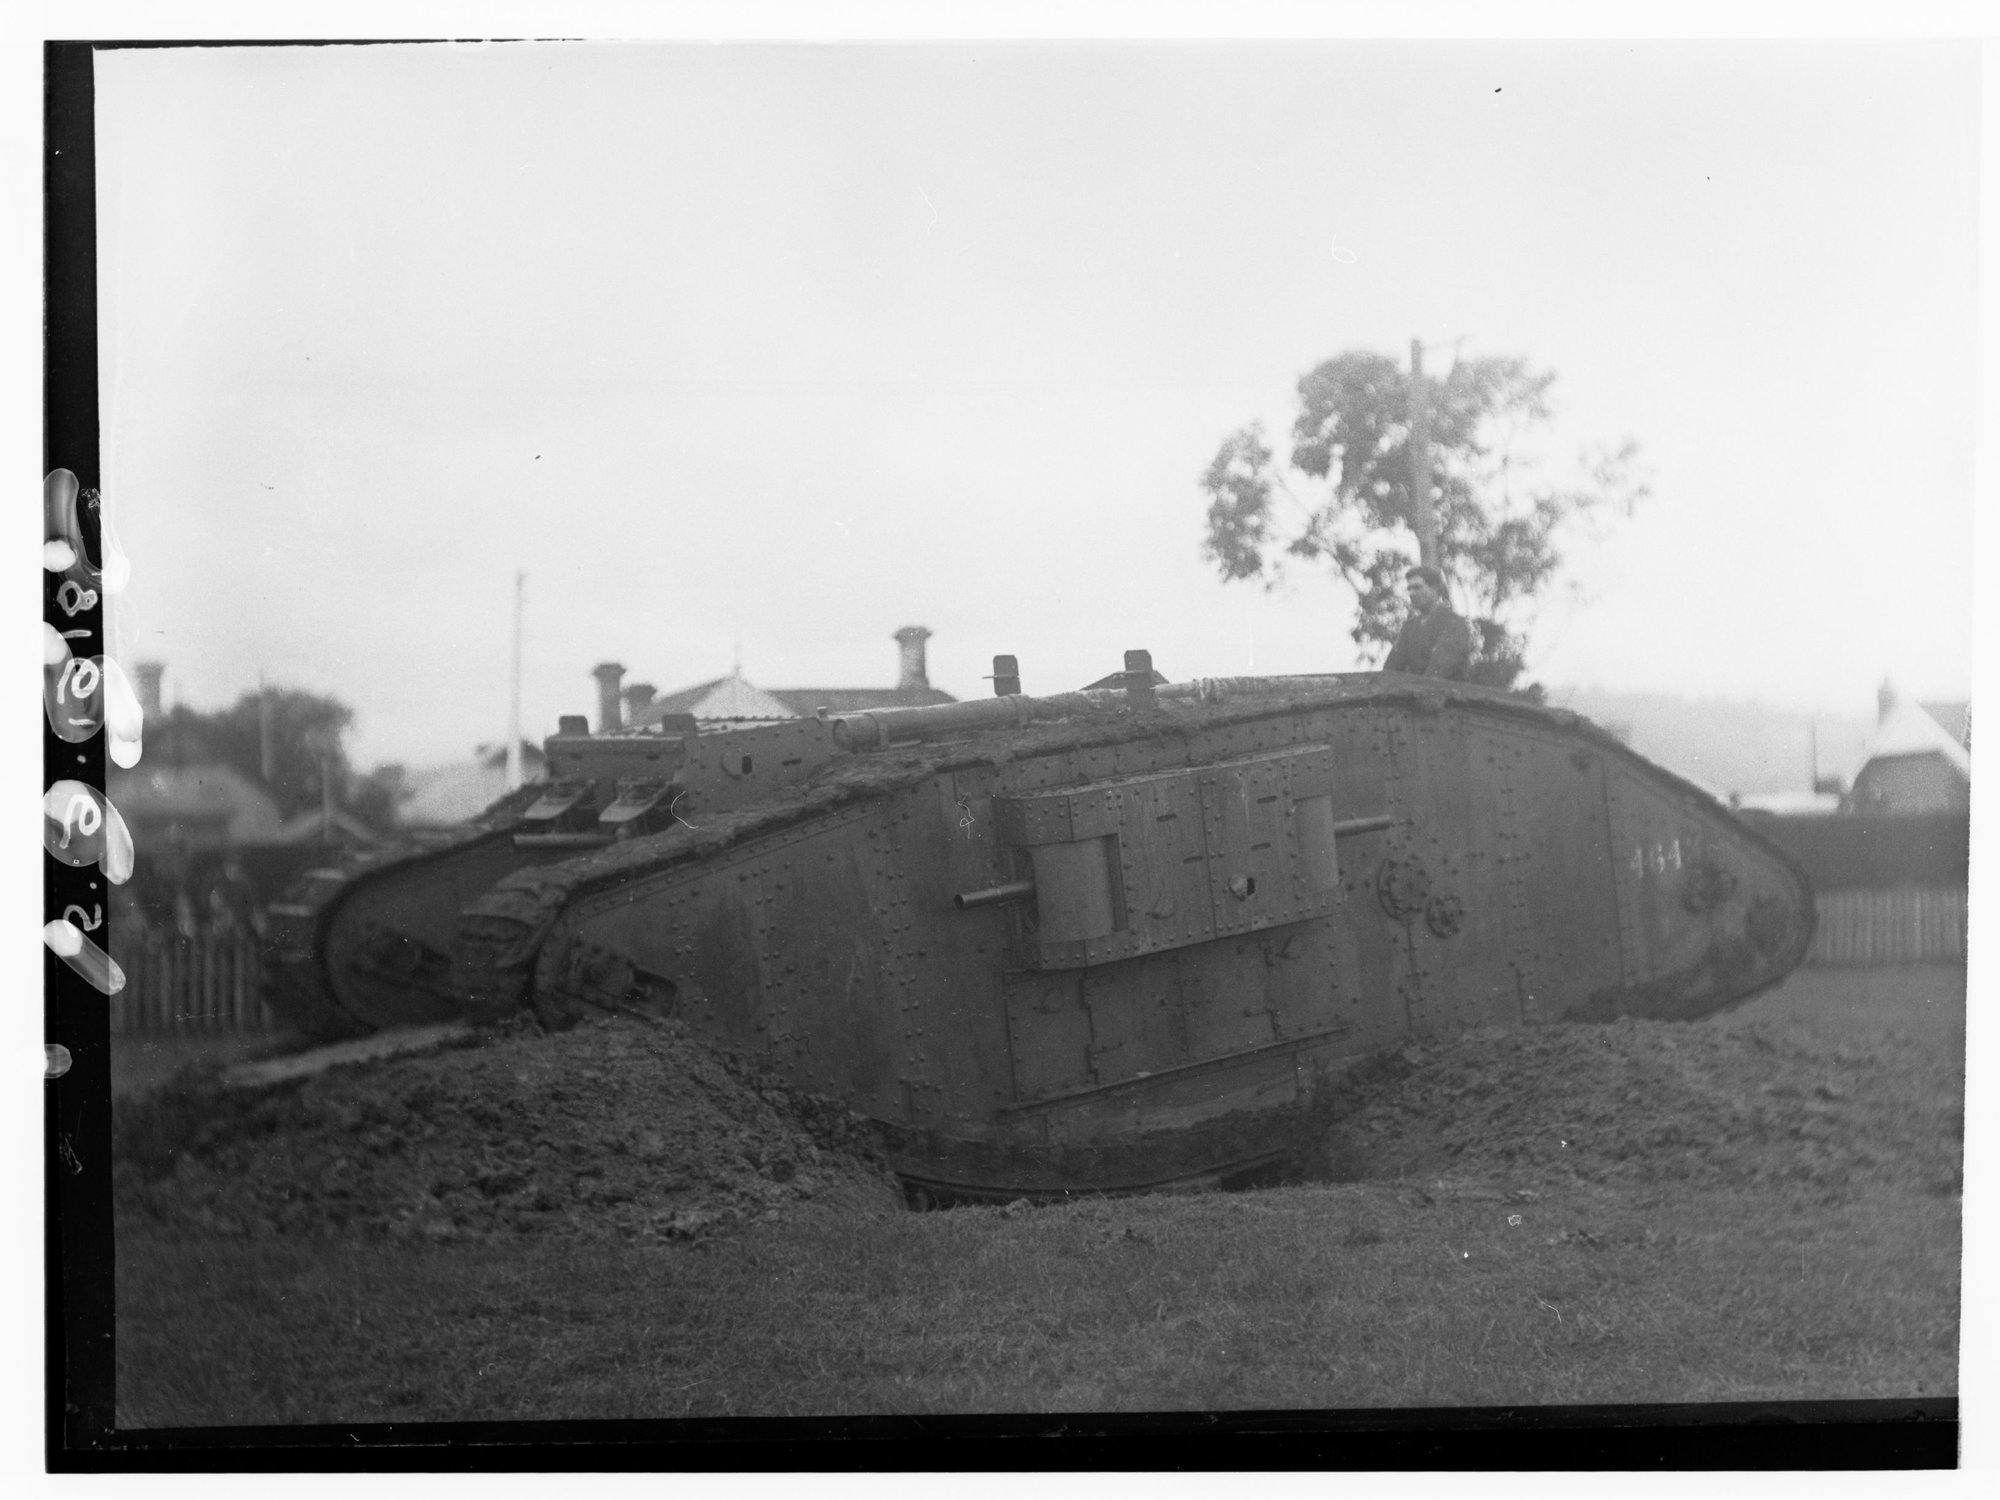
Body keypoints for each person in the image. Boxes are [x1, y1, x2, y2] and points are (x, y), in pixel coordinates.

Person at [1381, 565, 1473, 681]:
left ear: (1435, 589)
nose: (1411, 593)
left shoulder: (1455, 623)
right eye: (1409, 589)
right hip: (1415, 693)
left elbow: (1439, 669)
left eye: (1417, 587)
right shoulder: (1409, 627)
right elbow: (1391, 668)